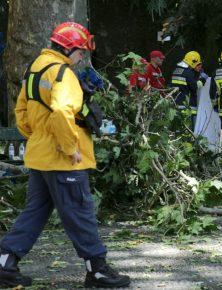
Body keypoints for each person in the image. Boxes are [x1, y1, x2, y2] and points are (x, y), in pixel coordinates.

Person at [0, 22, 130, 288]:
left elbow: (21, 112)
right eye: (80, 51)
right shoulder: (63, 74)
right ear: (69, 48)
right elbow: (61, 112)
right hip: (63, 159)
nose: (82, 56)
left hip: (40, 155)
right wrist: (71, 148)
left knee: (34, 212)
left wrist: (38, 136)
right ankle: (97, 270)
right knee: (81, 212)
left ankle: (4, 262)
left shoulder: (35, 68)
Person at [170, 51, 203, 128]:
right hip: (187, 107)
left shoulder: (176, 70)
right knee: (189, 131)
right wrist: (201, 82)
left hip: (176, 105)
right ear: (193, 62)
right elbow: (194, 87)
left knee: (178, 129)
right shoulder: (188, 72)